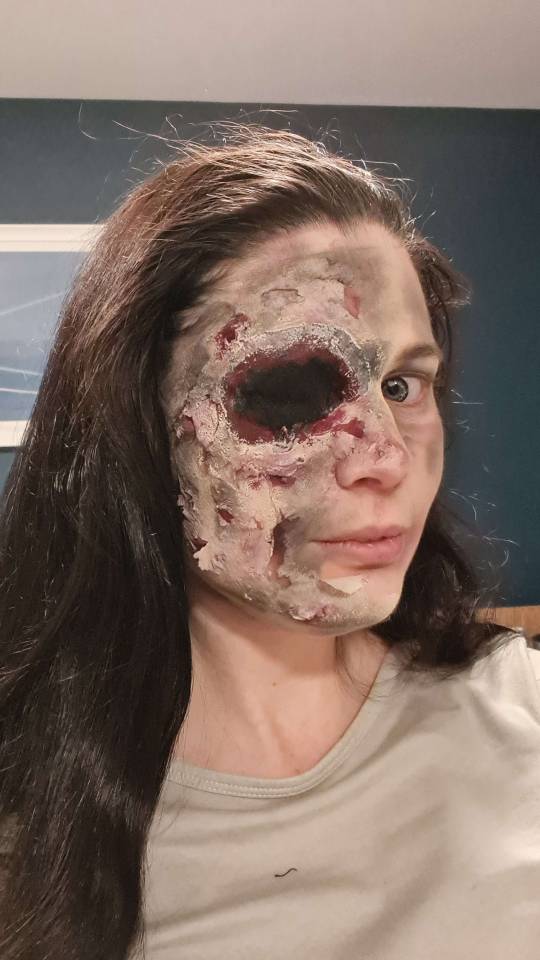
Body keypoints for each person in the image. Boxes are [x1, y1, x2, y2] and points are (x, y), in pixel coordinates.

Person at [0, 124, 538, 960]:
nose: (388, 457)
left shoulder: (520, 706)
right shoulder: (30, 836)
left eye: (404, 384)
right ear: (139, 426)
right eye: (289, 390)